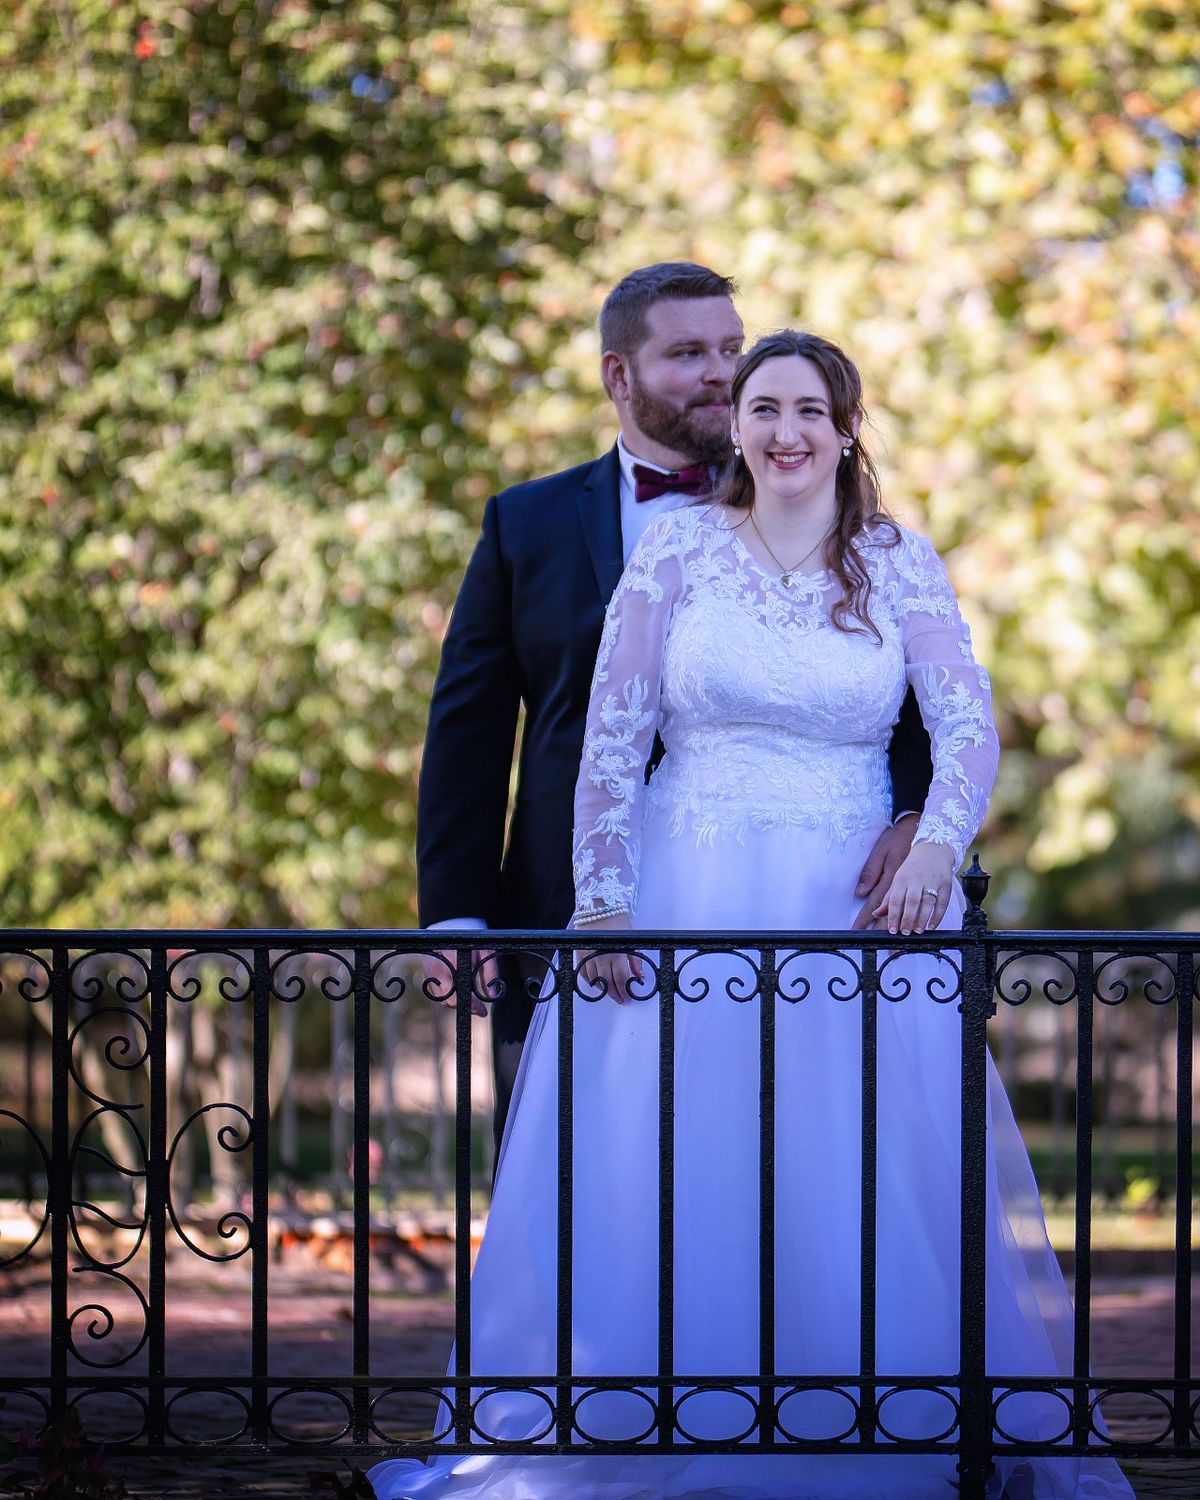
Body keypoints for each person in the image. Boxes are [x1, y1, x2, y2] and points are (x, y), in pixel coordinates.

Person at [371, 332, 1132, 1499]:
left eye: (809, 411)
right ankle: (635, 1412)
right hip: (684, 892)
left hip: (857, 909)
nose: (784, 432)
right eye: (763, 407)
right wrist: (606, 903)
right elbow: (613, 743)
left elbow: (969, 727)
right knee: (670, 1150)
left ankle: (872, 1415)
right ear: (739, 427)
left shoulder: (901, 559)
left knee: (855, 1160)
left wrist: (934, 843)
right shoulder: (674, 551)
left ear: (846, 428)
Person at [417, 264, 932, 1148]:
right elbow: (469, 727)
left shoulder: (826, 504)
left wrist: (918, 816)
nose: (721, 373)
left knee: (805, 1153)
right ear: (618, 375)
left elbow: (914, 699)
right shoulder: (524, 525)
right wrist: (459, 914)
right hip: (570, 910)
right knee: (589, 1174)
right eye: (688, 353)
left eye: (731, 348)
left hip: (805, 896)